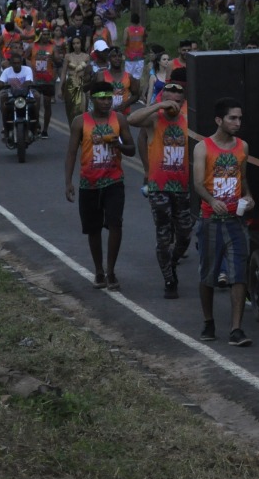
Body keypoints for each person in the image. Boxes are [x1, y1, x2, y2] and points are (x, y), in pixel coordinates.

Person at [191, 97, 255, 346]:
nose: (237, 123)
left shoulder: (243, 147)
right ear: (219, 120)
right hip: (210, 220)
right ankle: (208, 321)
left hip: (235, 221)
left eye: (239, 118)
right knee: (208, 274)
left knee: (238, 273)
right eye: (232, 118)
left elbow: (243, 178)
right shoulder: (203, 148)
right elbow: (197, 182)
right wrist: (211, 199)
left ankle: (236, 328)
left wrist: (248, 197)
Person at [64, 80, 136, 291]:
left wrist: (119, 145)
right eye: (102, 98)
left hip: (114, 181)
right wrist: (68, 182)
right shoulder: (80, 122)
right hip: (89, 183)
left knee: (115, 224)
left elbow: (132, 149)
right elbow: (71, 153)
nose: (106, 102)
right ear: (93, 100)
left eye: (109, 98)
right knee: (93, 229)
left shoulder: (119, 119)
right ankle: (98, 270)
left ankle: (111, 270)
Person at [128, 79, 193, 299]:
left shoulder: (187, 121)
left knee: (185, 234)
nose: (173, 104)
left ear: (183, 102)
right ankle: (169, 279)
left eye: (178, 100)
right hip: (159, 187)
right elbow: (131, 119)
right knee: (164, 234)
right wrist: (158, 106)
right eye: (169, 99)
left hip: (182, 187)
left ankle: (171, 263)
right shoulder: (155, 119)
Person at [0, 48, 34, 146]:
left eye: (18, 63)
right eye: (14, 63)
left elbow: (29, 81)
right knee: (4, 102)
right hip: (12, 97)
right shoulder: (7, 71)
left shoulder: (27, 69)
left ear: (21, 62)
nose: (16, 65)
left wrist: (25, 84)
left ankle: (35, 125)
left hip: (26, 95)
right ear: (11, 63)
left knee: (35, 102)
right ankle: (6, 129)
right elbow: (1, 82)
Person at [29, 24, 58, 138]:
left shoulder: (53, 47)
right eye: (44, 34)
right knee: (36, 104)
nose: (46, 36)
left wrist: (53, 59)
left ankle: (45, 130)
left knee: (47, 105)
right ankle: (36, 124)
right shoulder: (33, 46)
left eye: (47, 34)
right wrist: (30, 67)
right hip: (36, 80)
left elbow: (58, 60)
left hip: (48, 80)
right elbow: (25, 57)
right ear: (39, 35)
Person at [61, 34, 92, 124]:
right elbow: (63, 72)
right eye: (74, 43)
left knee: (82, 109)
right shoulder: (68, 56)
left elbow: (89, 72)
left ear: (81, 44)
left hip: (83, 84)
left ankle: (83, 128)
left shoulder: (86, 56)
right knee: (71, 109)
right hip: (71, 83)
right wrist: (60, 88)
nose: (76, 45)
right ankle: (73, 129)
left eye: (78, 43)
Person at [122, 13, 147, 80]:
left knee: (128, 77)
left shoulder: (127, 30)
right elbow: (144, 41)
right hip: (140, 56)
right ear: (139, 20)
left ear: (131, 20)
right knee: (137, 78)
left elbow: (124, 43)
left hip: (129, 56)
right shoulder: (143, 29)